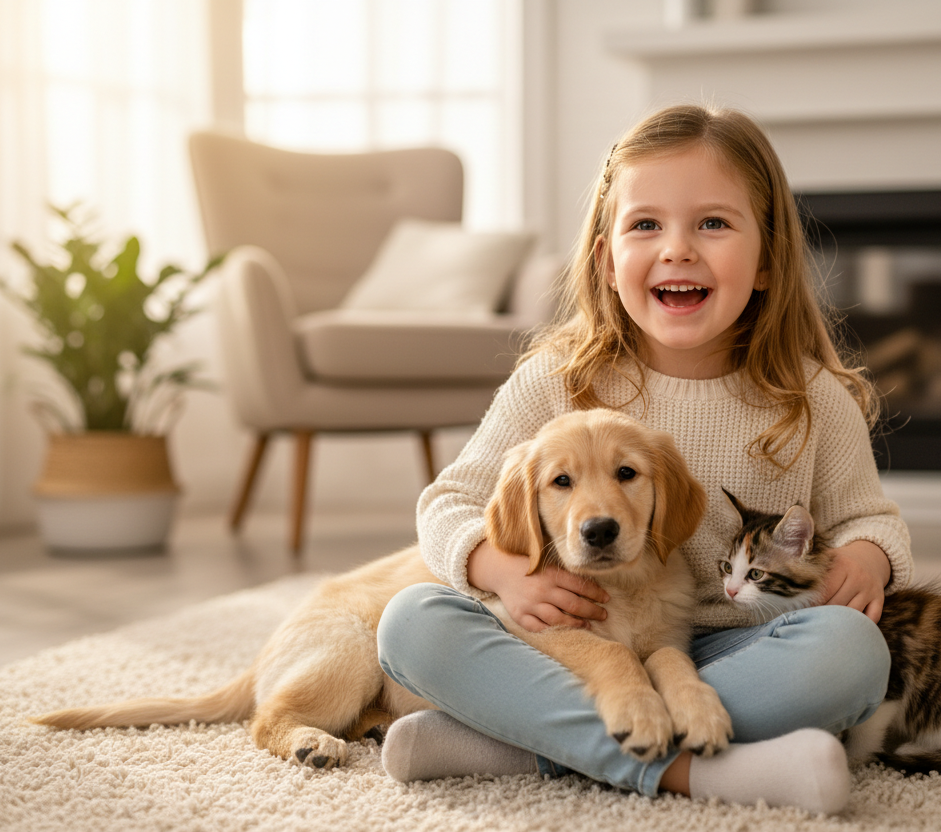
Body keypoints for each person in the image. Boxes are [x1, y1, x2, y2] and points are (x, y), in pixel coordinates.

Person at [375, 104, 912, 815]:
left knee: (852, 653)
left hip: (735, 657)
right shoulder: (559, 379)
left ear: (767, 263)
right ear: (607, 259)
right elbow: (448, 502)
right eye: (646, 224)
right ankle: (702, 773)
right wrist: (499, 570)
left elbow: (869, 515)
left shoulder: (809, 398)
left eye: (713, 223)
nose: (678, 249)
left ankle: (512, 746)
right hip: (571, 647)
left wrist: (870, 558)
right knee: (412, 623)